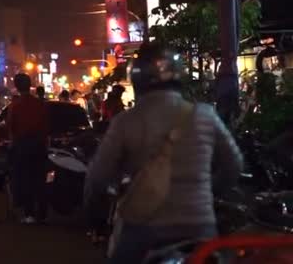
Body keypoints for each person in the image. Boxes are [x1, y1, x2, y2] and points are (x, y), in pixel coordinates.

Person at [87, 43, 243, 263]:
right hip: (199, 228)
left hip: (144, 228)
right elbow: (234, 165)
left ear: (137, 81)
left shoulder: (126, 121)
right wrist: (207, 193)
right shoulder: (205, 115)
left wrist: (94, 214)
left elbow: (98, 177)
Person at [7, 73, 49, 224]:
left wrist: (13, 143)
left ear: (17, 87)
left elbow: (11, 127)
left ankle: (29, 213)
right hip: (38, 145)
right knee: (39, 179)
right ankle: (42, 212)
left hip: (22, 145)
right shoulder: (39, 104)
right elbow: (45, 126)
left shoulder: (15, 106)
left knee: (25, 180)